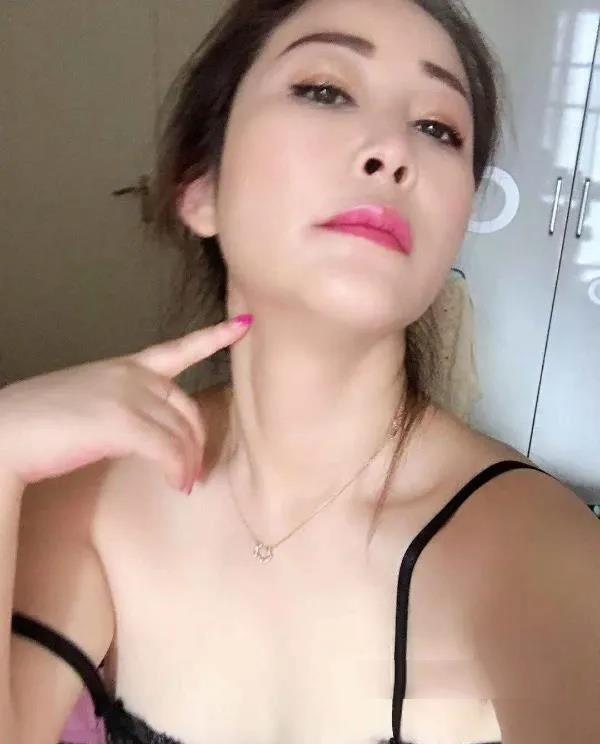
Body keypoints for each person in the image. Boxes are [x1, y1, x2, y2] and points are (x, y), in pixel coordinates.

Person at [1, 0, 599, 742]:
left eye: (438, 129)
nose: (393, 150)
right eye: (325, 90)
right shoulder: (87, 500)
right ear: (201, 187)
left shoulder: (533, 549)